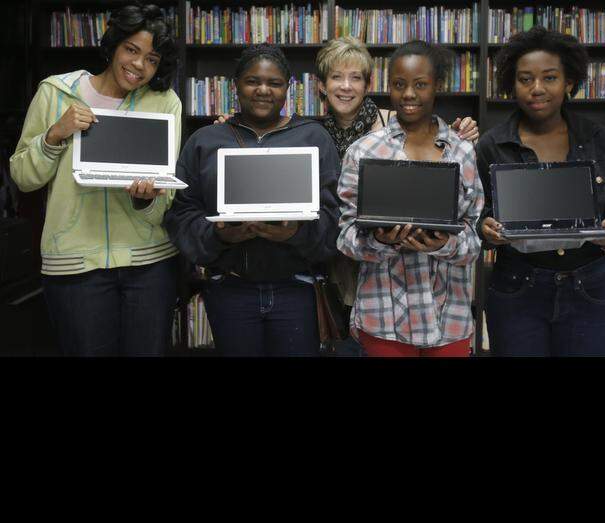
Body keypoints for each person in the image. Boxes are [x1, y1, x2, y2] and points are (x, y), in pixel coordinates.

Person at [213, 36, 480, 356]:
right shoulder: (309, 135)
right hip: (348, 280)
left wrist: (458, 133)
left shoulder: (400, 125)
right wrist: (232, 127)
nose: (346, 86)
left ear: (369, 84)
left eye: (355, 77)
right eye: (337, 77)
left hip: (420, 291)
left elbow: (459, 211)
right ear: (321, 86)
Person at [8, 2, 181, 356]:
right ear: (113, 44)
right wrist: (54, 135)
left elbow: (166, 202)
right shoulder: (55, 92)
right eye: (132, 50)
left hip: (148, 264)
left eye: (151, 59)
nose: (138, 65)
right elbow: (24, 177)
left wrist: (146, 198)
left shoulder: (165, 103)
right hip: (74, 266)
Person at [163, 44, 340, 357]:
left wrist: (295, 234)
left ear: (289, 89)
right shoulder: (205, 141)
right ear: (236, 86)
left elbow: (335, 217)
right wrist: (217, 235)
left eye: (274, 83)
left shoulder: (314, 138)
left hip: (297, 288)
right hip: (229, 289)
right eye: (252, 81)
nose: (263, 90)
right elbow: (181, 213)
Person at [476, 26, 605, 357]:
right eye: (525, 79)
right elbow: (479, 213)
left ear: (568, 82)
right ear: (512, 84)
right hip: (516, 285)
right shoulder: (491, 145)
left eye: (549, 78)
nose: (536, 89)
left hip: (589, 285)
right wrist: (485, 227)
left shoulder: (602, 142)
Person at [336, 41, 483, 357]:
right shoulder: (363, 152)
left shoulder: (462, 151)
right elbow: (346, 237)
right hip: (384, 316)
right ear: (388, 86)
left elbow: (474, 240)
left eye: (420, 84)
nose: (409, 94)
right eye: (399, 84)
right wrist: (380, 241)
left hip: (449, 317)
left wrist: (443, 244)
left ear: (437, 87)